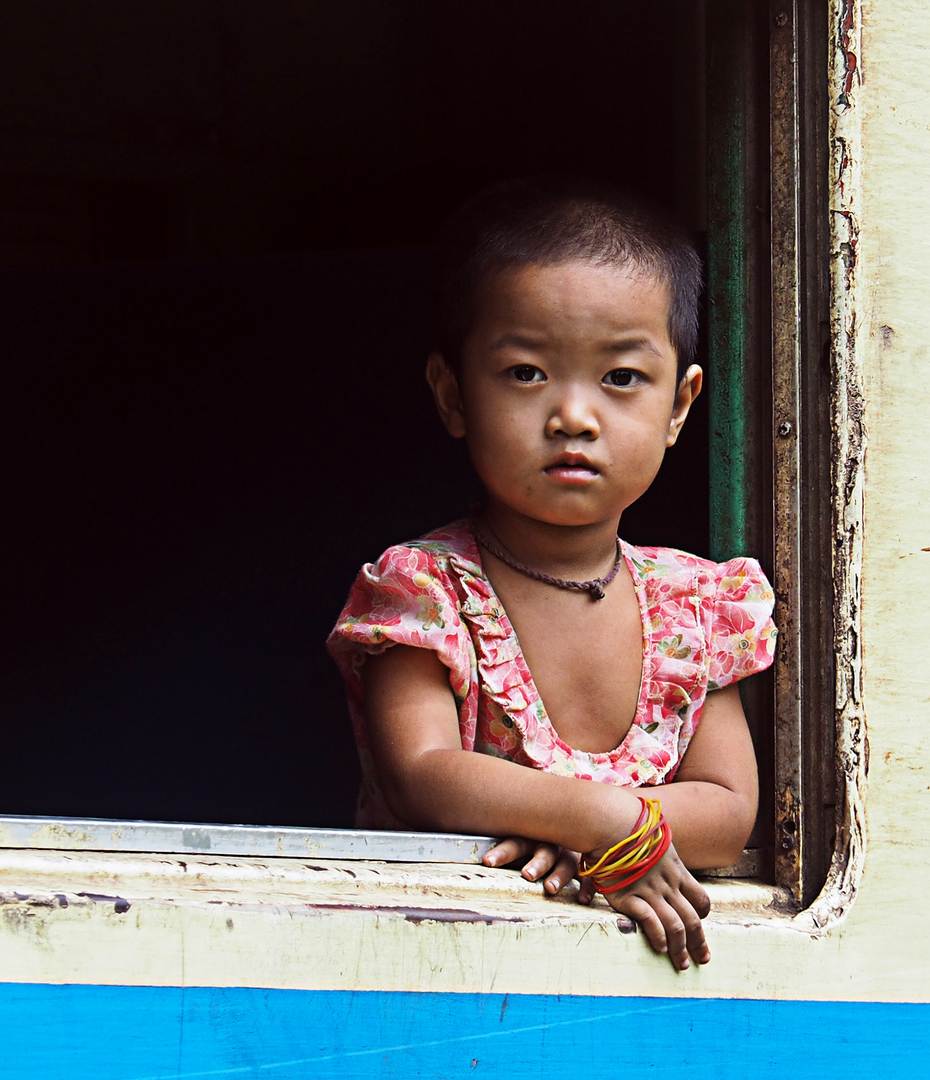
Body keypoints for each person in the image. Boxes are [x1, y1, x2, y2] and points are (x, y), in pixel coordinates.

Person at [327, 178, 775, 970]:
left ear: (680, 406)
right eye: (528, 374)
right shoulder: (423, 590)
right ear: (453, 393)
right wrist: (594, 822)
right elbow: (421, 776)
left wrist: (597, 828)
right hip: (426, 966)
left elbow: (729, 810)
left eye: (622, 378)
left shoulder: (699, 605)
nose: (574, 415)